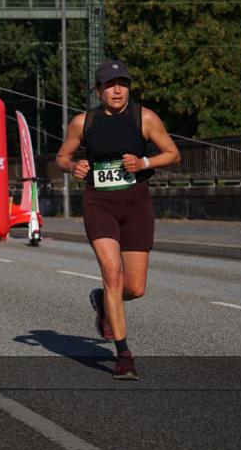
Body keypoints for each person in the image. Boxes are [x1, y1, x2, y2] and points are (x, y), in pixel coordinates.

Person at [55, 60, 180, 381]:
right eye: (110, 84)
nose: (117, 89)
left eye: (122, 83)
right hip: (99, 204)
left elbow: (173, 153)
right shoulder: (84, 122)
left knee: (135, 288)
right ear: (98, 91)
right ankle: (123, 354)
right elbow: (62, 156)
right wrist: (74, 167)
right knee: (112, 274)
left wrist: (144, 161)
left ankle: (102, 302)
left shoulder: (145, 117)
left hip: (136, 204)